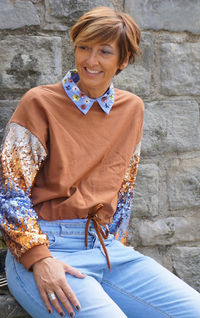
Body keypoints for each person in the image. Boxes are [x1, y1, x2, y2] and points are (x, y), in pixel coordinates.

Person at [0, 6, 200, 318]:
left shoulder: (131, 109)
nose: (90, 61)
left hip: (106, 250)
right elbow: (10, 191)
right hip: (47, 249)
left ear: (123, 60)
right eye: (83, 48)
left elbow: (124, 191)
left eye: (105, 51)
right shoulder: (39, 103)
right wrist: (40, 259)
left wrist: (114, 244)